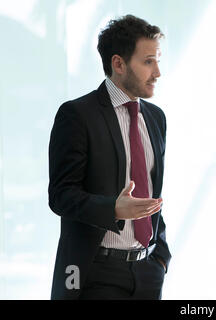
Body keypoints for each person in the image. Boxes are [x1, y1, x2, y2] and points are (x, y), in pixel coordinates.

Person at [48, 15, 171, 300]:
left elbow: (153, 191)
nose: (157, 72)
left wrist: (161, 256)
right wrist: (113, 209)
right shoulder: (77, 115)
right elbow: (61, 195)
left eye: (157, 60)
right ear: (118, 63)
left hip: (148, 271)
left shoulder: (156, 118)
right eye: (148, 61)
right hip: (95, 273)